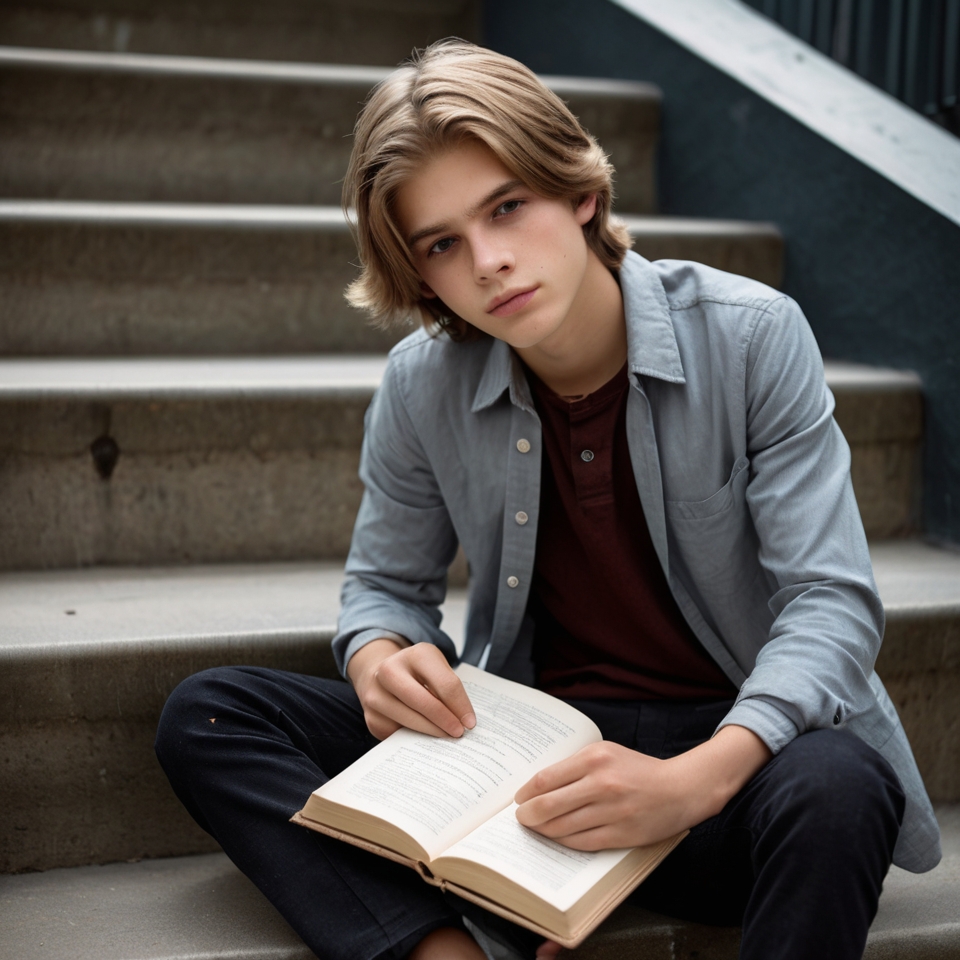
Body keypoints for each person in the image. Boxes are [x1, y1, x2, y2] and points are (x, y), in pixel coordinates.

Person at [156, 39, 940, 960]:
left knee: (842, 785)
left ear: (581, 193)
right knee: (210, 714)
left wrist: (694, 781)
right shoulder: (421, 384)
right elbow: (383, 584)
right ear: (421, 274)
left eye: (507, 208)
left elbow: (832, 605)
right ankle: (439, 952)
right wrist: (378, 655)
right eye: (442, 244)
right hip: (530, 773)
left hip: (727, 771)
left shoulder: (753, 338)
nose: (487, 261)